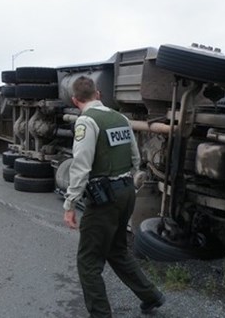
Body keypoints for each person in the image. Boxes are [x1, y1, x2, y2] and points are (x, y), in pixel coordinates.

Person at [63, 76, 165, 317]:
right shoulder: (120, 118)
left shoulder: (86, 122)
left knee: (88, 261)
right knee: (116, 250)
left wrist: (70, 204)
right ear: (98, 94)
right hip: (126, 191)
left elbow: (81, 165)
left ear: (75, 100)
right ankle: (151, 296)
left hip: (104, 198)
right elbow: (135, 157)